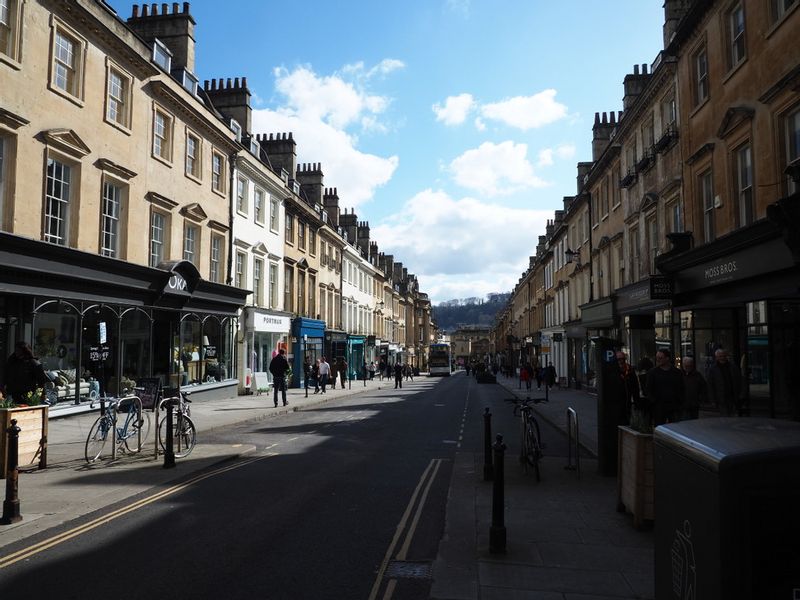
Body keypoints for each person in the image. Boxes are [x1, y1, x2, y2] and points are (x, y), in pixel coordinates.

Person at [646, 348, 685, 426]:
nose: (658, 360)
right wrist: (654, 402)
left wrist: (680, 402)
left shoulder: (677, 373)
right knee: (660, 429)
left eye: (660, 358)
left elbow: (682, 388)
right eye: (657, 358)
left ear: (667, 358)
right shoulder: (652, 373)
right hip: (659, 407)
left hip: (674, 406)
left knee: (675, 428)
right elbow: (648, 389)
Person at [706, 348, 742, 417]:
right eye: (720, 356)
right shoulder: (713, 369)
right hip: (721, 398)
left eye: (723, 356)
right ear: (716, 357)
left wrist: (740, 394)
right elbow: (710, 385)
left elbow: (739, 380)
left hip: (732, 396)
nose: (722, 358)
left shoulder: (733, 367)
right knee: (725, 416)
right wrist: (712, 400)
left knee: (733, 415)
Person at [613, 351, 639, 427]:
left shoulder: (630, 370)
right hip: (616, 403)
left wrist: (636, 400)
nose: (620, 361)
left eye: (622, 359)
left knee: (627, 422)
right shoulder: (613, 371)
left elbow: (635, 386)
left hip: (627, 402)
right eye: (618, 359)